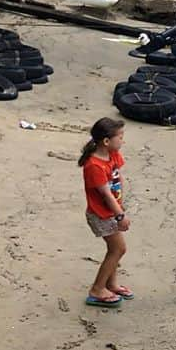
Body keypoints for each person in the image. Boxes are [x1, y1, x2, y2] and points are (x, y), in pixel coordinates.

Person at [78, 117, 132, 307]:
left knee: (114, 250)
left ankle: (111, 283)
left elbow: (118, 179)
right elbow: (106, 195)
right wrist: (120, 215)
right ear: (106, 141)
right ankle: (97, 289)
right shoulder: (94, 166)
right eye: (120, 137)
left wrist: (120, 205)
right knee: (118, 249)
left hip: (112, 210)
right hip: (101, 214)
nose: (122, 141)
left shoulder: (113, 154)